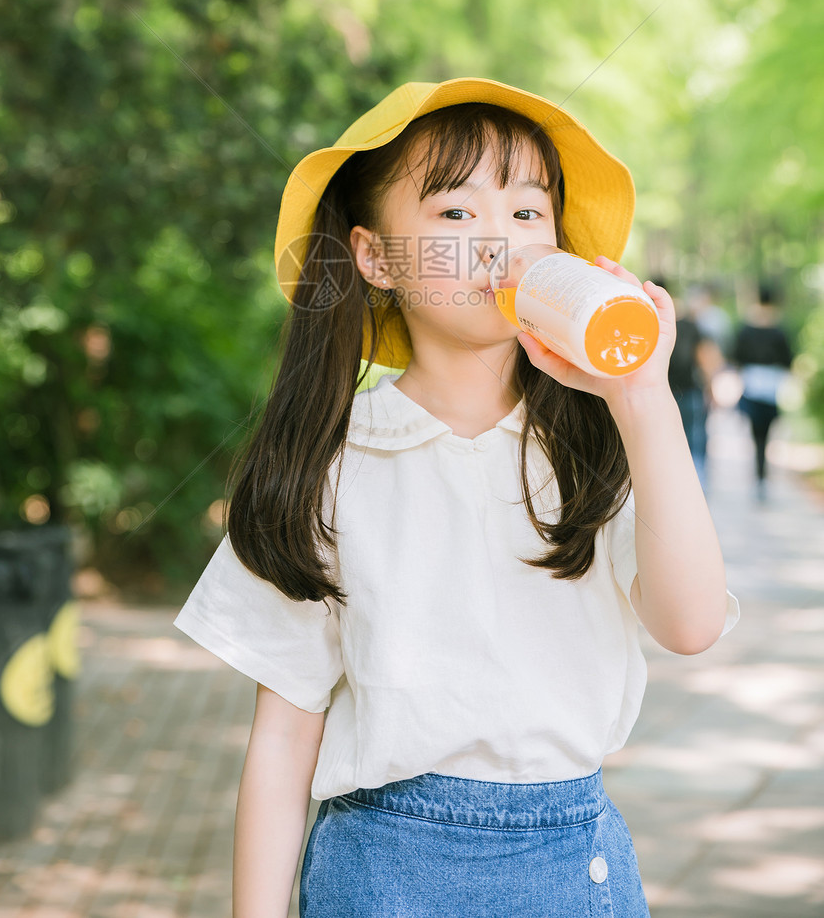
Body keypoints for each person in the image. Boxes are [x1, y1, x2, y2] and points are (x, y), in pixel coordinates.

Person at [174, 77, 740, 918]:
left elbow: (690, 626)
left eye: (526, 213)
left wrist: (641, 398)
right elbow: (285, 740)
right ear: (372, 257)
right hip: (379, 873)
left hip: (570, 866)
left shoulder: (601, 446)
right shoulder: (327, 463)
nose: (498, 242)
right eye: (454, 215)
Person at [657, 277, 724, 494]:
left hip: (661, 393)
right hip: (689, 391)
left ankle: (671, 487)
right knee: (694, 439)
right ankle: (697, 487)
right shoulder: (689, 325)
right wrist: (711, 388)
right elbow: (705, 358)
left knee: (665, 441)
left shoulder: (646, 323)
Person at [732, 283, 794, 501]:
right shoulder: (779, 330)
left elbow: (736, 357)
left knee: (755, 433)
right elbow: (788, 359)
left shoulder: (747, 329)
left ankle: (758, 476)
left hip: (751, 385)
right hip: (771, 388)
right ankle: (761, 476)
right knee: (765, 434)